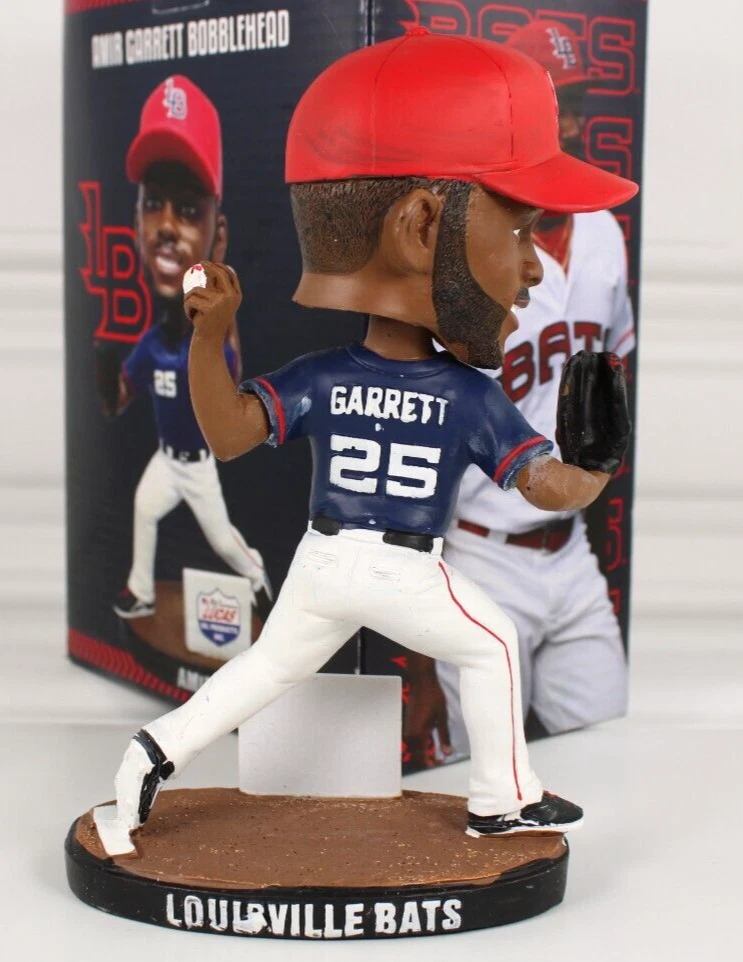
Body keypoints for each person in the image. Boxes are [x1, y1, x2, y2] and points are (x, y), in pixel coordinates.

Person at [109, 30, 636, 848]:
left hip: (323, 563)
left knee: (265, 670)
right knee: (493, 644)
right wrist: (597, 469)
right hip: (399, 568)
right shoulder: (465, 392)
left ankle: (152, 751)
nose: (531, 267)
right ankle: (498, 802)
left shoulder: (325, 373)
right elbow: (547, 485)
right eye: (519, 232)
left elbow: (230, 434)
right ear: (421, 231)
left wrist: (210, 342)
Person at [408, 21, 635, 758]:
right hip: (481, 558)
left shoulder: (604, 234)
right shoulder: (467, 251)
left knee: (609, 746)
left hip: (571, 554)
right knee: (484, 775)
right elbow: (423, 439)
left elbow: (613, 375)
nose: (568, 124)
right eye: (552, 107)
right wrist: (419, 634)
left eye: (577, 105)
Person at [99, 75, 269, 619]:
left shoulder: (211, 338)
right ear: (135, 221)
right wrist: (101, 373)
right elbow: (117, 397)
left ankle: (258, 575)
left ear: (219, 234)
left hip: (197, 466)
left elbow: (230, 366)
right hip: (167, 460)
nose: (167, 226)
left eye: (190, 210)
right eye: (154, 204)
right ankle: (141, 591)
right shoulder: (152, 343)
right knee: (143, 508)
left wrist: (215, 303)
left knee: (223, 541)